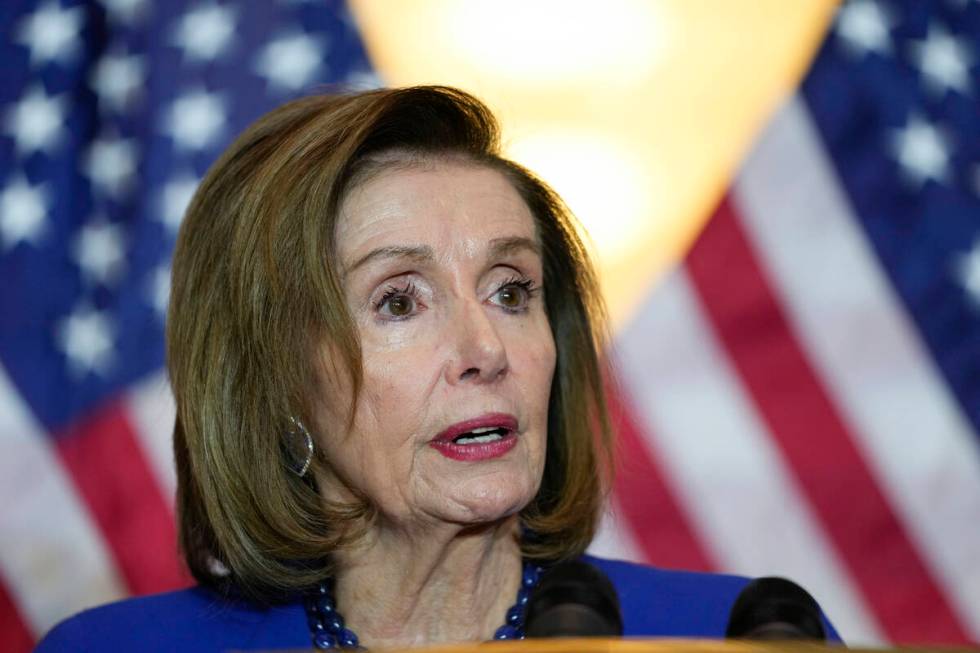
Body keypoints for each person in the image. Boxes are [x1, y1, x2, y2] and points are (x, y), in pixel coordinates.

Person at [36, 86, 837, 651]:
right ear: (278, 380)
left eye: (511, 289)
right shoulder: (111, 647)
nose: (487, 349)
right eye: (398, 302)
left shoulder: (742, 634)